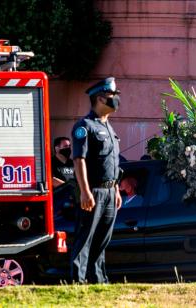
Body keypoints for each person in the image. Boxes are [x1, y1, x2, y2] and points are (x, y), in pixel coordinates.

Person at [70, 77, 123, 284]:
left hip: (110, 192)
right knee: (85, 239)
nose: (116, 100)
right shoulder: (85, 126)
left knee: (102, 239)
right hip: (93, 192)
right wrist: (85, 191)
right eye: (113, 96)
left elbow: (112, 163)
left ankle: (99, 281)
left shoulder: (109, 127)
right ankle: (78, 282)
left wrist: (116, 189)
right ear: (100, 99)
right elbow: (79, 159)